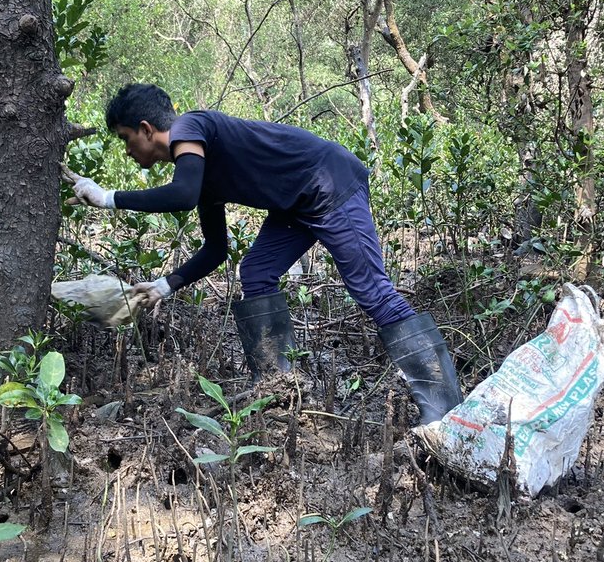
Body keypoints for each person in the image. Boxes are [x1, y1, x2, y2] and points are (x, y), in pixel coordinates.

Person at [64, 83, 462, 426]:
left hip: (330, 182)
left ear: (146, 130)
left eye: (124, 139)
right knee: (255, 272)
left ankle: (445, 410)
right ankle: (275, 386)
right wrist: (165, 286)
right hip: (298, 203)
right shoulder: (198, 169)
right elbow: (216, 249)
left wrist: (108, 197)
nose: (127, 151)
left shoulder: (191, 126)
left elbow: (181, 196)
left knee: (370, 290)